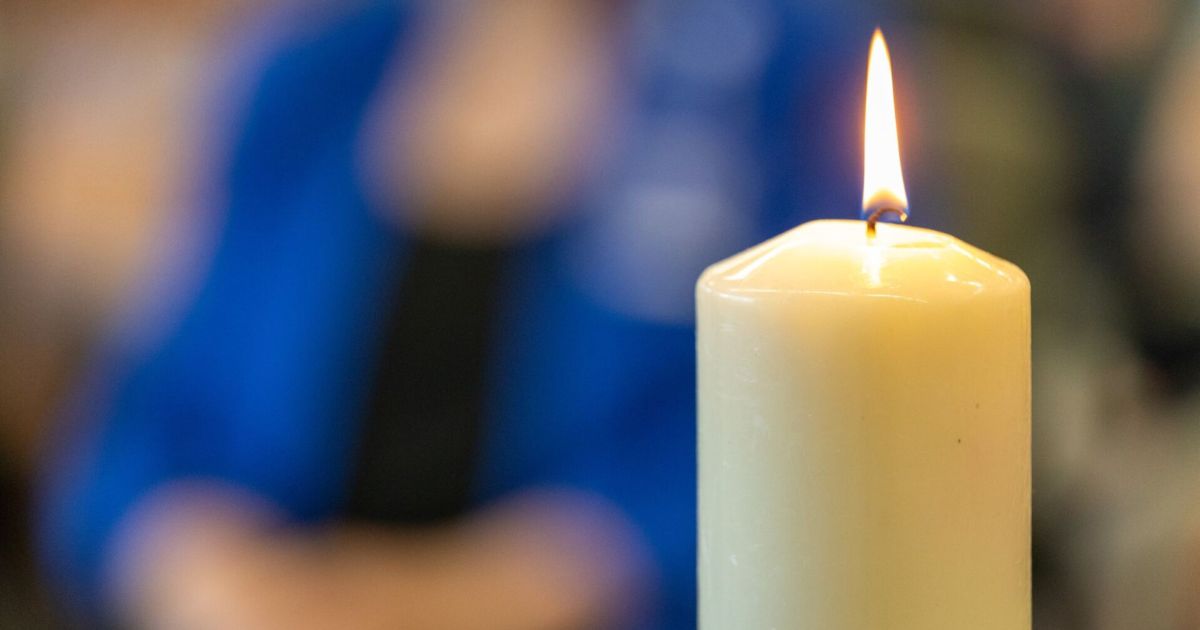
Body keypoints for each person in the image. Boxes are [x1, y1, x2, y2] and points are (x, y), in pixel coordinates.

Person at [37, 1, 867, 627]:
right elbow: (139, 428)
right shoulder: (312, 70)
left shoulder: (779, 70)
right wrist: (196, 564)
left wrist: (533, 579)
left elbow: (847, 425)